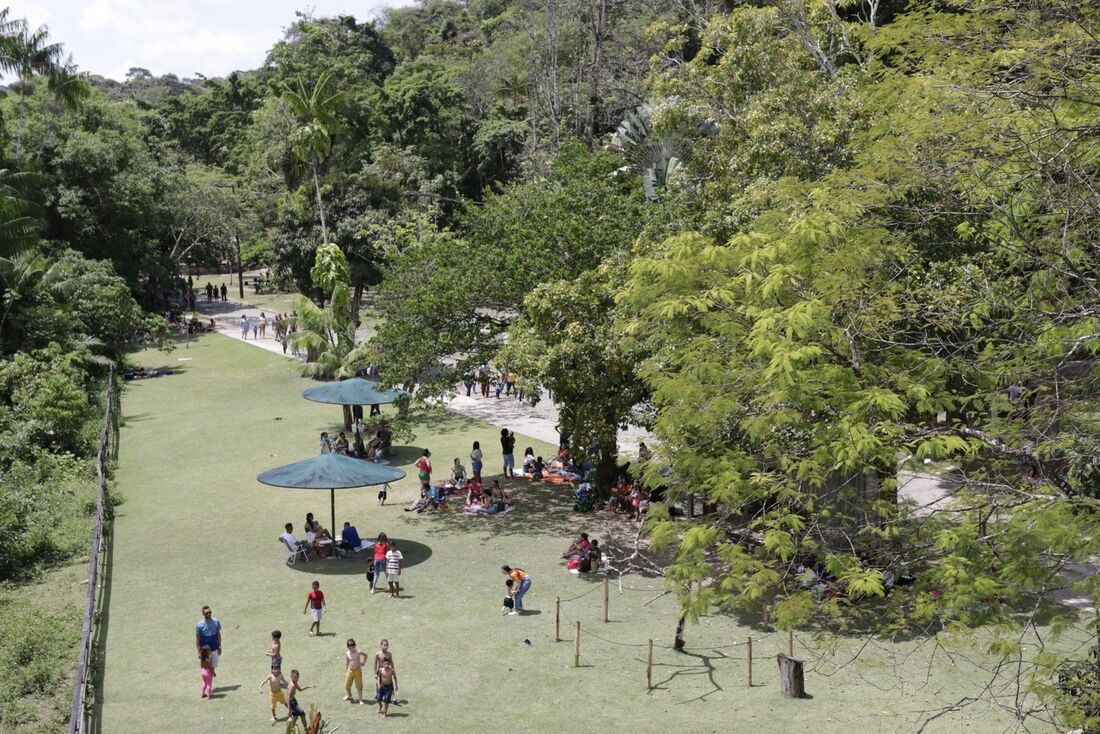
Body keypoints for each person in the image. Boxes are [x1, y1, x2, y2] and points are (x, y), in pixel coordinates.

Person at [195, 606, 222, 672]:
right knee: (205, 667)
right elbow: (198, 639)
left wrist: (220, 646)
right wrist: (199, 652)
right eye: (206, 613)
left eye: (210, 612)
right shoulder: (199, 625)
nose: (209, 614)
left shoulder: (216, 622)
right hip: (204, 651)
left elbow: (218, 634)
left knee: (213, 666)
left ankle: (210, 681)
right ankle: (206, 681)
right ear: (203, 614)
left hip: (214, 647)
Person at [344, 638, 368, 704]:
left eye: (353, 647)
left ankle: (360, 700)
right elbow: (347, 662)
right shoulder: (347, 653)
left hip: (357, 671)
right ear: (348, 647)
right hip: (350, 670)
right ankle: (349, 695)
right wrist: (346, 671)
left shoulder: (358, 652)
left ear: (355, 646)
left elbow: (366, 655)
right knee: (347, 685)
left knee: (359, 686)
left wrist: (363, 662)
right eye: (350, 647)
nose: (352, 648)